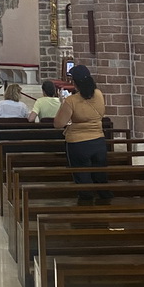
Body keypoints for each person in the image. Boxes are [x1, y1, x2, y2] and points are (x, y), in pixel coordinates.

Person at [54, 64, 111, 205]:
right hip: (98, 141)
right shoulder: (98, 94)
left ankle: (86, 208)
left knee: (82, 178)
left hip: (78, 144)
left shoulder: (71, 101)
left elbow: (58, 123)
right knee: (100, 177)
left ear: (75, 83)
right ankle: (106, 206)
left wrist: (63, 105)